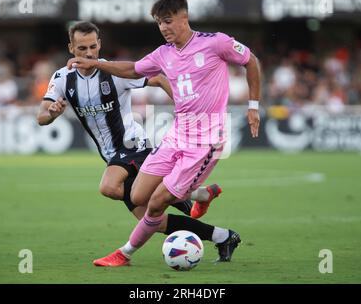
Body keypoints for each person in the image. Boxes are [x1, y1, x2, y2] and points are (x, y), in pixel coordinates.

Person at [67, 0, 261, 267]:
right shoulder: (163, 54)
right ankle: (202, 194)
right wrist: (96, 63)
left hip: (205, 139)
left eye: (168, 21)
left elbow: (251, 60)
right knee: (137, 195)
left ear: (185, 17)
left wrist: (253, 106)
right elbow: (133, 70)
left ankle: (124, 254)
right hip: (176, 134)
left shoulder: (215, 43)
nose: (164, 28)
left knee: (156, 202)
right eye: (159, 23)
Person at [37, 21, 224, 245]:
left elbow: (158, 78)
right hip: (111, 155)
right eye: (82, 49)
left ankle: (188, 193)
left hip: (133, 145)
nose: (89, 53)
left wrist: (186, 106)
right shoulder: (62, 78)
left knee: (108, 186)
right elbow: (42, 116)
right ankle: (222, 235)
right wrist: (52, 113)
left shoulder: (114, 72)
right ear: (71, 48)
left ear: (99, 45)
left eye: (93, 47)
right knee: (154, 221)